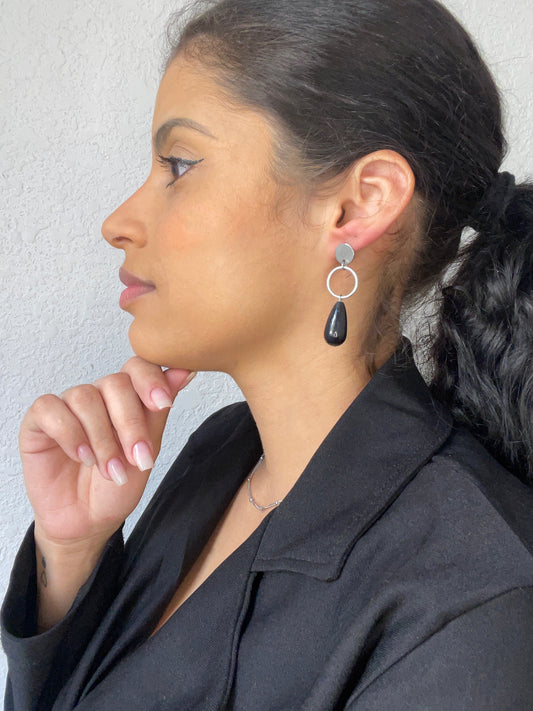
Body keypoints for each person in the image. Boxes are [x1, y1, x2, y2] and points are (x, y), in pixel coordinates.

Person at [2, 0, 533, 708]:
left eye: (179, 165)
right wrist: (71, 552)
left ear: (358, 205)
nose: (118, 222)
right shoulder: (221, 452)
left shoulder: (471, 598)